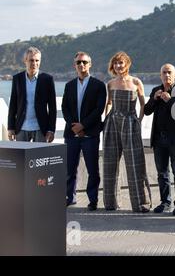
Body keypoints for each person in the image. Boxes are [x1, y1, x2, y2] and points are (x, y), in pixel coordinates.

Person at [102, 51, 151, 213]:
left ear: (127, 64)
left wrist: (139, 120)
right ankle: (111, 203)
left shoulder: (136, 82)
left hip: (130, 123)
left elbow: (143, 104)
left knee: (135, 164)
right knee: (109, 163)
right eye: (115, 63)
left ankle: (140, 204)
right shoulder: (110, 84)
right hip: (112, 123)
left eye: (121, 63)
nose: (118, 66)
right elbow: (108, 103)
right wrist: (106, 118)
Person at [144, 64, 175, 216]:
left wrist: (170, 101)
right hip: (159, 139)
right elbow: (147, 111)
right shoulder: (155, 90)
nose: (167, 75)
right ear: (160, 75)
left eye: (169, 72)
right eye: (164, 72)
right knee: (162, 173)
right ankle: (165, 202)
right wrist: (154, 98)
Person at [62, 52, 107, 210]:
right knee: (69, 169)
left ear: (90, 64)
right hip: (72, 134)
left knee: (92, 170)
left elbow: (98, 109)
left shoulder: (99, 85)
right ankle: (70, 197)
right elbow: (65, 108)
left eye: (84, 62)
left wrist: (83, 126)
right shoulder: (69, 85)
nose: (81, 65)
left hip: (90, 135)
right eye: (78, 62)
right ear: (74, 65)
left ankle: (93, 199)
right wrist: (75, 126)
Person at [8, 47, 56, 143]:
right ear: (25, 61)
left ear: (40, 61)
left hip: (40, 128)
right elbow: (13, 104)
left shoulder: (47, 79)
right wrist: (10, 127)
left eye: (37, 60)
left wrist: (51, 130)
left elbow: (52, 107)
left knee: (39, 157)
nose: (34, 63)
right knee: (20, 157)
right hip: (21, 127)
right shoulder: (17, 79)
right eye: (31, 60)